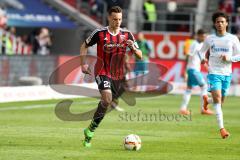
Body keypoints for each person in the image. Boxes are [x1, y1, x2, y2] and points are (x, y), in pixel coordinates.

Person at [80, 6, 142, 147]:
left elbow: (140, 55)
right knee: (107, 99)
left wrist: (133, 47)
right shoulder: (100, 33)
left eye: (120, 19)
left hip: (117, 74)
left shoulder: (127, 35)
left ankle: (90, 129)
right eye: (115, 19)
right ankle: (91, 133)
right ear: (109, 18)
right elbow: (83, 46)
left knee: (107, 102)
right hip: (102, 71)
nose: (117, 22)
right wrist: (83, 64)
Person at [199, 11, 240, 139]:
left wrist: (229, 58)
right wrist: (203, 59)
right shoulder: (209, 38)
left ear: (227, 23)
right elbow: (201, 51)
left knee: (220, 101)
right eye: (217, 22)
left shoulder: (232, 39)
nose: (220, 24)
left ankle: (207, 100)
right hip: (213, 73)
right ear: (214, 24)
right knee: (218, 99)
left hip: (226, 74)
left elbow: (239, 55)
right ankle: (222, 129)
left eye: (222, 22)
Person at [179, 29, 214, 115]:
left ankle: (183, 109)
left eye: (205, 37)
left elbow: (199, 57)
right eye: (203, 36)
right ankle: (204, 108)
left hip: (193, 69)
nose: (205, 38)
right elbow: (188, 56)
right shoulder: (194, 44)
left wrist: (204, 62)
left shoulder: (200, 44)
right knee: (204, 86)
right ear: (198, 36)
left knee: (188, 89)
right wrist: (184, 70)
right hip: (192, 69)